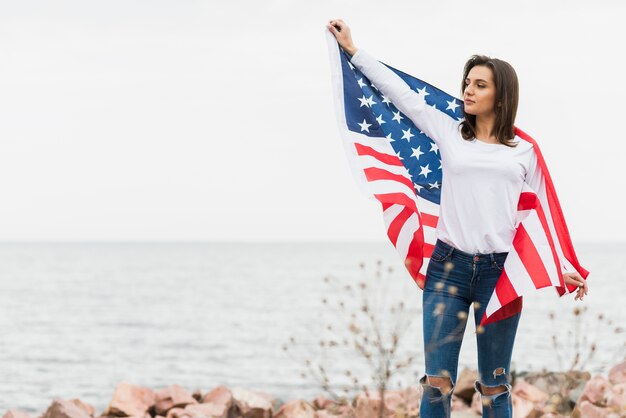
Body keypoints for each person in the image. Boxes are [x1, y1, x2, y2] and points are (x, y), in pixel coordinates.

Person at [326, 18, 589, 418]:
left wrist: (562, 267)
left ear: (501, 96)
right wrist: (353, 50)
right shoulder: (449, 132)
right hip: (447, 269)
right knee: (437, 384)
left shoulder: (524, 152)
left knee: (495, 387)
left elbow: (541, 219)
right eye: (467, 82)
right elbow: (405, 97)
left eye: (480, 84)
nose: (468, 89)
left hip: (500, 274)